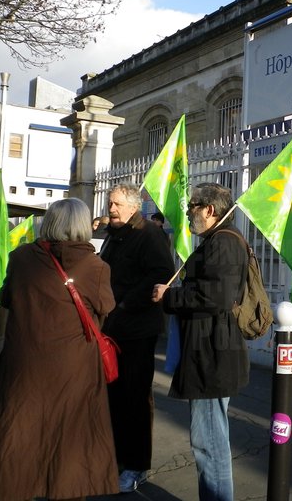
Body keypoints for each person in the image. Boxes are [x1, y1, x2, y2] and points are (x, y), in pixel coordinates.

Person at [0, 197, 118, 501]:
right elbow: (106, 306)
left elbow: (6, 298)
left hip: (25, 361)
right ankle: (67, 491)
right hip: (74, 366)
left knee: (20, 429)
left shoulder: (21, 258)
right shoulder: (95, 266)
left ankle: (10, 490)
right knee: (71, 433)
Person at [152, 183, 250, 501]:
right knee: (210, 440)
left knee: (209, 444)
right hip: (210, 350)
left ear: (209, 210)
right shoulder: (218, 240)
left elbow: (216, 296)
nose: (188, 213)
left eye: (192, 207)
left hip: (212, 354)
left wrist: (171, 297)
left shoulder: (222, 242)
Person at [99, 183, 175, 493]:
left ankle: (136, 465)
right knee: (114, 398)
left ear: (133, 207)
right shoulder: (115, 235)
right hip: (113, 330)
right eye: (110, 203)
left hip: (137, 331)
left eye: (116, 204)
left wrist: (125, 304)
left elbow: (160, 273)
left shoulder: (148, 234)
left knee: (136, 400)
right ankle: (115, 458)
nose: (111, 209)